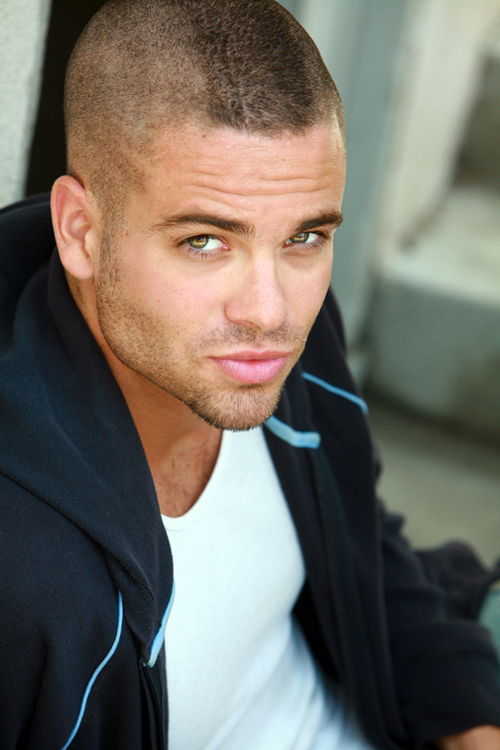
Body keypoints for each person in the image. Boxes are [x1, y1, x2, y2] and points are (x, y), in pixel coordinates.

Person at [0, 0, 500, 748]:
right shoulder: (25, 570)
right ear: (81, 232)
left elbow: (360, 537)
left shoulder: (287, 324)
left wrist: (469, 717)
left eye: (306, 235)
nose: (271, 312)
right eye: (205, 241)